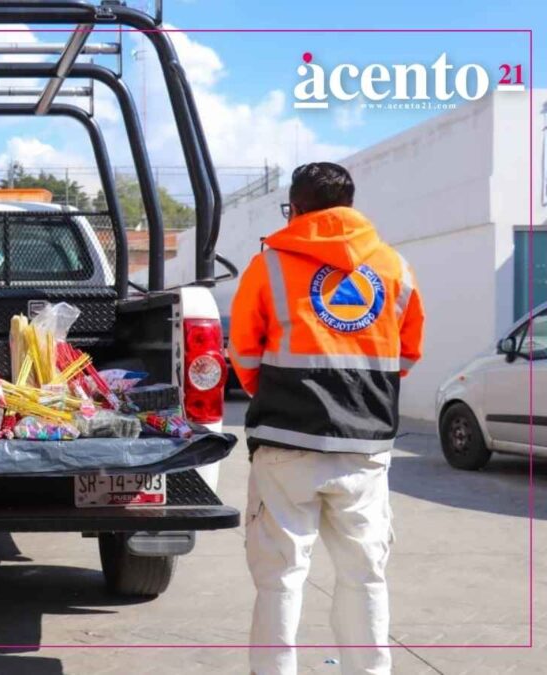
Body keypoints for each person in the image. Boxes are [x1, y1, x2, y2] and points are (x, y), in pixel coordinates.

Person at [228, 162, 424, 675]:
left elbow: (244, 353)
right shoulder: (394, 267)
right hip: (364, 450)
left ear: (295, 208)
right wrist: (362, 395)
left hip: (285, 443)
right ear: (350, 207)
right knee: (365, 575)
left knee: (281, 578)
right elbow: (407, 354)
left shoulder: (269, 265)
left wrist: (276, 392)